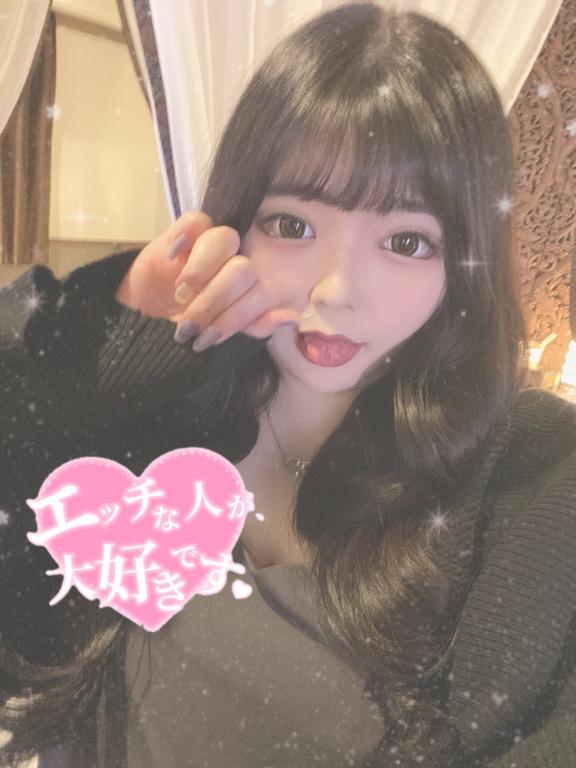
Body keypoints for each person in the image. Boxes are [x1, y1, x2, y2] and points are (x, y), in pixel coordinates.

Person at [0, 2, 575, 767]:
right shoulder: (152, 415)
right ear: (234, 221)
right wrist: (104, 348)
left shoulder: (531, 476)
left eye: (407, 241)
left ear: (464, 265)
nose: (337, 290)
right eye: (292, 225)